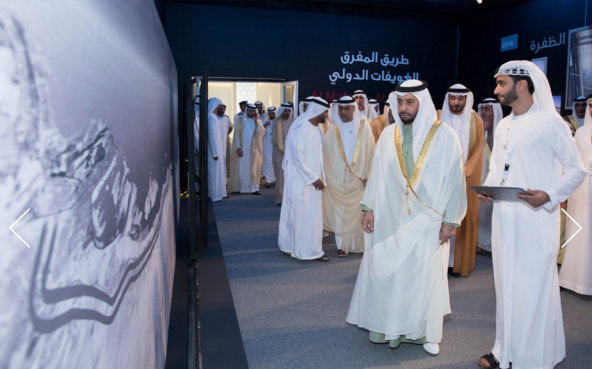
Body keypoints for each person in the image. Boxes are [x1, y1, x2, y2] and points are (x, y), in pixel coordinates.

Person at [476, 61, 586, 369]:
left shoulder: (552, 123)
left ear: (521, 85)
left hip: (536, 219)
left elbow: (578, 170)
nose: (496, 90)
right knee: (506, 284)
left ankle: (532, 358)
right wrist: (490, 189)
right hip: (504, 218)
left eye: (501, 83)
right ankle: (503, 349)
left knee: (533, 287)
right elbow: (498, 168)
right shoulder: (503, 124)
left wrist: (549, 195)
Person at [347, 80, 467, 356]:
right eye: (399, 102)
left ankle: (426, 332)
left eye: (409, 102)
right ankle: (387, 329)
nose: (403, 108)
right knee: (389, 272)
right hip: (391, 216)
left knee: (425, 276)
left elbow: (456, 181)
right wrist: (368, 207)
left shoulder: (446, 136)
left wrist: (451, 220)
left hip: (430, 220)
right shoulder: (389, 134)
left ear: (422, 103)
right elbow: (377, 173)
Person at [438, 83, 484, 277]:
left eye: (460, 98)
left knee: (463, 220)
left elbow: (478, 150)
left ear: (467, 99)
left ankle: (456, 264)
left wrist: (466, 170)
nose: (456, 103)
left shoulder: (476, 121)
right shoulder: (438, 119)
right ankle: (439, 263)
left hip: (465, 179)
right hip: (441, 179)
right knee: (440, 218)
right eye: (453, 98)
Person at [278, 97, 331, 261]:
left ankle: (309, 249)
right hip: (301, 181)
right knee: (301, 214)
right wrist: (313, 178)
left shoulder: (316, 129)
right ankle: (301, 250)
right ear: (317, 112)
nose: (327, 115)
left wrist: (319, 176)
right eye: (325, 112)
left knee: (310, 215)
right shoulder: (302, 129)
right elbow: (297, 158)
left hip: (312, 180)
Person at [323, 96, 375, 257]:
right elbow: (324, 155)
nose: (343, 112)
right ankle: (341, 246)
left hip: (358, 180)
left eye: (347, 108)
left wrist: (369, 175)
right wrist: (327, 177)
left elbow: (371, 152)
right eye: (341, 108)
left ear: (354, 109)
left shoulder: (365, 127)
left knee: (357, 212)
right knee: (339, 213)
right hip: (336, 180)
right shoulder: (333, 129)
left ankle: (357, 245)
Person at [559, 95, 592, 295]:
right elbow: (573, 164)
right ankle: (575, 280)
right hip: (582, 188)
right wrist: (565, 191)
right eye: (590, 105)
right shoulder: (581, 133)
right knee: (579, 232)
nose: (590, 109)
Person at [476, 98, 503, 252]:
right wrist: (483, 129)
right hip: (482, 178)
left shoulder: (503, 129)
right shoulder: (479, 129)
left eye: (488, 109)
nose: (484, 112)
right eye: (482, 108)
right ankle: (480, 243)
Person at [228, 103, 265, 195]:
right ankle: (242, 188)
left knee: (254, 169)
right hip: (243, 149)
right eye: (250, 110)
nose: (252, 112)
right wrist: (238, 148)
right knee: (242, 168)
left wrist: (257, 122)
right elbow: (236, 135)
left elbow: (261, 133)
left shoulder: (258, 122)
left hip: (254, 150)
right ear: (247, 110)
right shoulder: (240, 120)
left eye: (253, 111)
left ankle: (254, 188)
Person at [271, 103, 295, 205]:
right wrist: (284, 149)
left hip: (292, 154)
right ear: (281, 111)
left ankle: (289, 199)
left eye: (289, 111)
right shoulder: (276, 121)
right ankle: (279, 200)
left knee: (290, 178)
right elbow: (275, 139)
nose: (287, 113)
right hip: (279, 154)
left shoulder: (293, 121)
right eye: (285, 111)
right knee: (280, 179)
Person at [206, 98, 226, 201]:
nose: (219, 107)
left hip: (216, 150)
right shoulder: (212, 118)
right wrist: (214, 153)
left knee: (217, 173)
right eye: (218, 105)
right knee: (214, 174)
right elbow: (212, 136)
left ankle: (218, 194)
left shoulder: (212, 117)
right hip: (213, 151)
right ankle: (214, 195)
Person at [216, 104, 232, 185]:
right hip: (216, 143)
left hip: (225, 142)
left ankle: (224, 178)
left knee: (226, 159)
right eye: (221, 109)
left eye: (224, 109)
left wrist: (226, 135)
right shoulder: (214, 118)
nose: (222, 110)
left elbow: (230, 127)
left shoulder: (226, 118)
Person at [262, 106, 276, 186]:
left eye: (272, 113)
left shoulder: (278, 122)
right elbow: (259, 133)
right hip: (267, 146)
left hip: (275, 146)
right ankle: (268, 180)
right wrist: (264, 126)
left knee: (275, 162)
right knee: (267, 162)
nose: (271, 115)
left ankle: (274, 179)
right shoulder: (265, 121)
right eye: (269, 113)